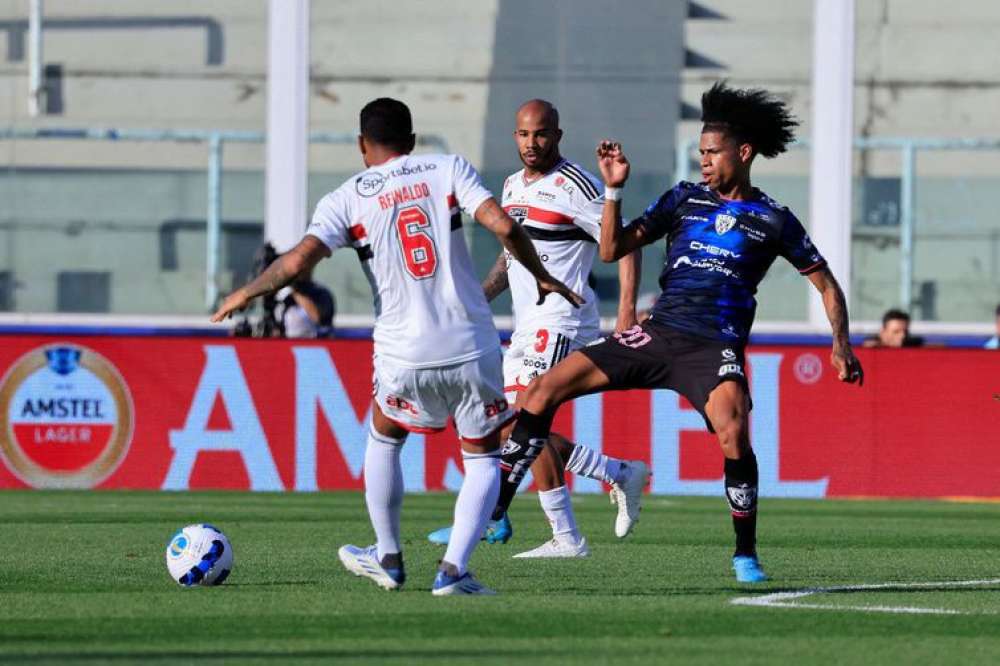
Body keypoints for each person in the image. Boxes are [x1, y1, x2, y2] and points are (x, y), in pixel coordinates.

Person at [494, 82, 864, 584]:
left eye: (712, 153)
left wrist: (840, 345)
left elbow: (826, 285)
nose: (705, 162)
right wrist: (614, 190)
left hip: (714, 347)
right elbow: (612, 249)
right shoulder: (684, 199)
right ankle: (493, 512)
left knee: (734, 432)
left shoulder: (773, 219)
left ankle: (745, 553)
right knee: (542, 390)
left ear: (744, 153)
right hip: (658, 332)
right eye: (701, 153)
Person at [211, 98, 582, 595]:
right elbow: (504, 226)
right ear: (412, 140)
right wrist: (542, 276)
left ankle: (387, 555)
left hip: (402, 349)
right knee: (482, 456)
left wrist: (246, 291)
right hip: (471, 341)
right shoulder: (446, 168)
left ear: (363, 146)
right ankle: (454, 571)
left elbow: (299, 263)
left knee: (385, 432)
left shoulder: (347, 197)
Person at [426, 99, 650, 558]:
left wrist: (625, 311)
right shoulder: (510, 188)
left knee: (525, 417)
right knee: (513, 426)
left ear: (558, 136)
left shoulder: (577, 188)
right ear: (515, 137)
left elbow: (624, 243)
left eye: (542, 134)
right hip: (527, 322)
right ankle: (609, 481)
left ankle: (521, 522)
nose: (533, 143)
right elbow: (511, 260)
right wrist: (473, 301)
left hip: (563, 319)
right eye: (525, 135)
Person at [276, 264, 335, 338]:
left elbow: (318, 318)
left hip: (315, 344)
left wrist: (295, 293)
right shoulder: (284, 295)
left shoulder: (321, 293)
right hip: (287, 344)